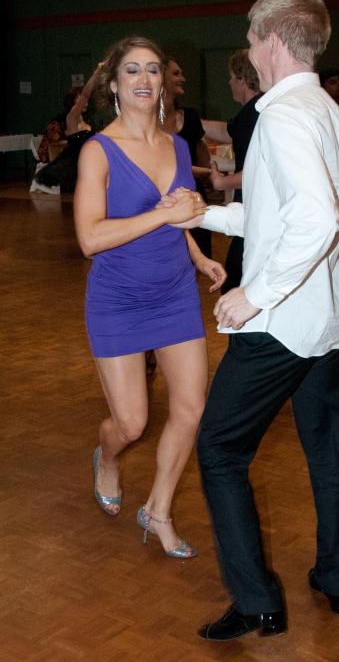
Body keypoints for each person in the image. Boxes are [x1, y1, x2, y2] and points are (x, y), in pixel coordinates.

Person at [171, 0, 339, 640]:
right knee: (326, 453)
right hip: (327, 319)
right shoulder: (324, 109)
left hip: (283, 326)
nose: (249, 50)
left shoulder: (281, 118)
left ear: (273, 41)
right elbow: (285, 215)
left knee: (219, 450)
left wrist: (259, 293)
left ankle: (257, 603)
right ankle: (338, 579)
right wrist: (207, 213)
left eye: (252, 39)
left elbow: (317, 220)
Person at [74, 36, 226, 559]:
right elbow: (90, 238)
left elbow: (176, 219)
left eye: (154, 70)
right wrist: (166, 214)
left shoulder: (177, 146)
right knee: (131, 423)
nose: (144, 79)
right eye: (133, 70)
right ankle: (107, 456)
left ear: (164, 82)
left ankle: (158, 510)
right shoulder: (98, 151)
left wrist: (198, 256)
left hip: (175, 292)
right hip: (118, 299)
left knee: (190, 408)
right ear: (114, 84)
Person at [202, 49, 262, 292]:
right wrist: (186, 120)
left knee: (236, 282)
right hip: (254, 211)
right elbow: (227, 131)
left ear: (241, 78)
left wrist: (221, 183)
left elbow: (259, 171)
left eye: (230, 77)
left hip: (255, 210)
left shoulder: (255, 111)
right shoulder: (253, 111)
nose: (229, 83)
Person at [162, 56, 213, 257]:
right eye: (176, 74)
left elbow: (202, 154)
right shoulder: (145, 122)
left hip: (194, 199)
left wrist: (209, 174)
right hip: (161, 202)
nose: (182, 79)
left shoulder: (190, 117)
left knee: (200, 257)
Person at [32, 65, 103, 194]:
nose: (85, 103)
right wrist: (96, 74)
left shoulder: (85, 120)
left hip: (87, 162)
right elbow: (86, 95)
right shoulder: (72, 117)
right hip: (74, 166)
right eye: (79, 99)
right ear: (73, 101)